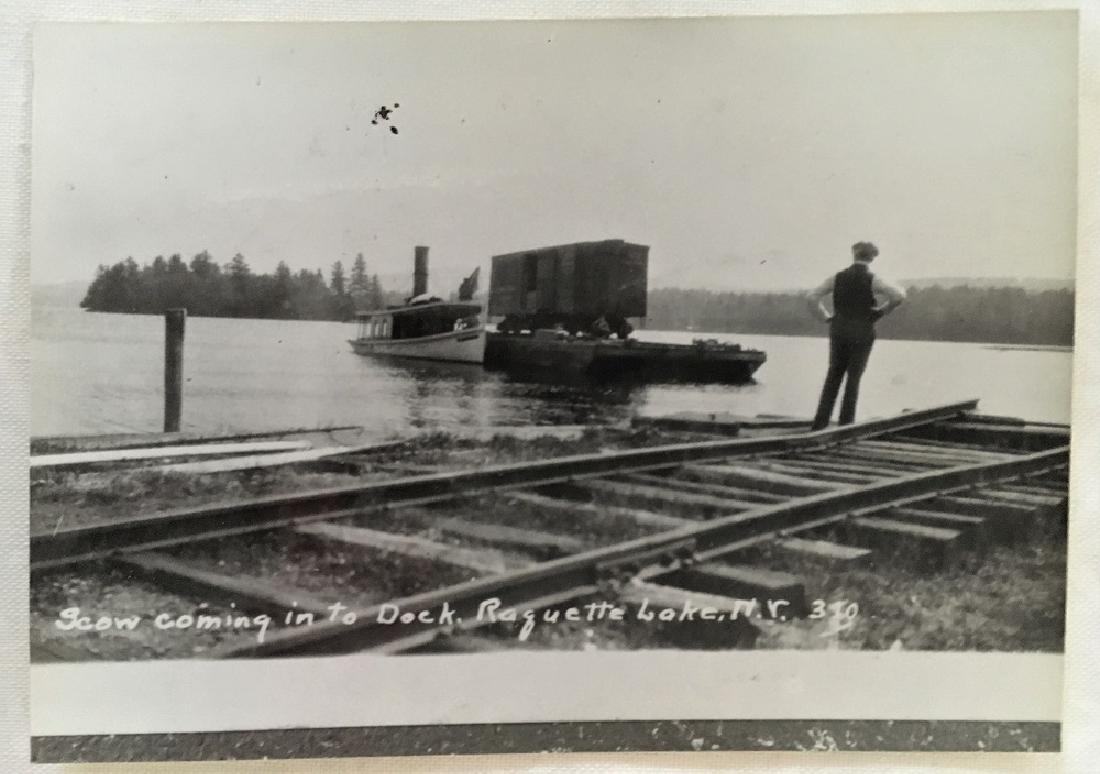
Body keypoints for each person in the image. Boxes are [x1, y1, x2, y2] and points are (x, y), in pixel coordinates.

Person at [806, 241, 906, 430]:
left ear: (854, 254)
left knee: (833, 374)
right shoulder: (873, 279)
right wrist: (881, 312)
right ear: (871, 258)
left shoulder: (837, 278)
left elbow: (811, 297)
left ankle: (820, 423)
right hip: (862, 330)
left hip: (839, 329)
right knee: (854, 377)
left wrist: (826, 317)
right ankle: (846, 424)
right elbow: (898, 296)